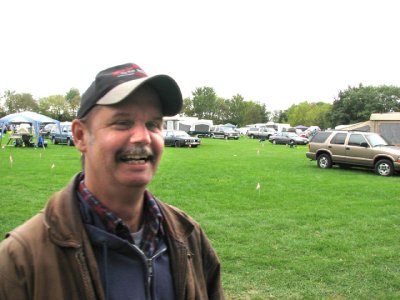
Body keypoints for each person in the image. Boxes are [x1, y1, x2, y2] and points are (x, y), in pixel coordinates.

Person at [0, 63, 224, 299]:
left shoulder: (188, 237)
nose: (143, 137)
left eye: (153, 124)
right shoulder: (19, 261)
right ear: (80, 136)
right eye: (122, 122)